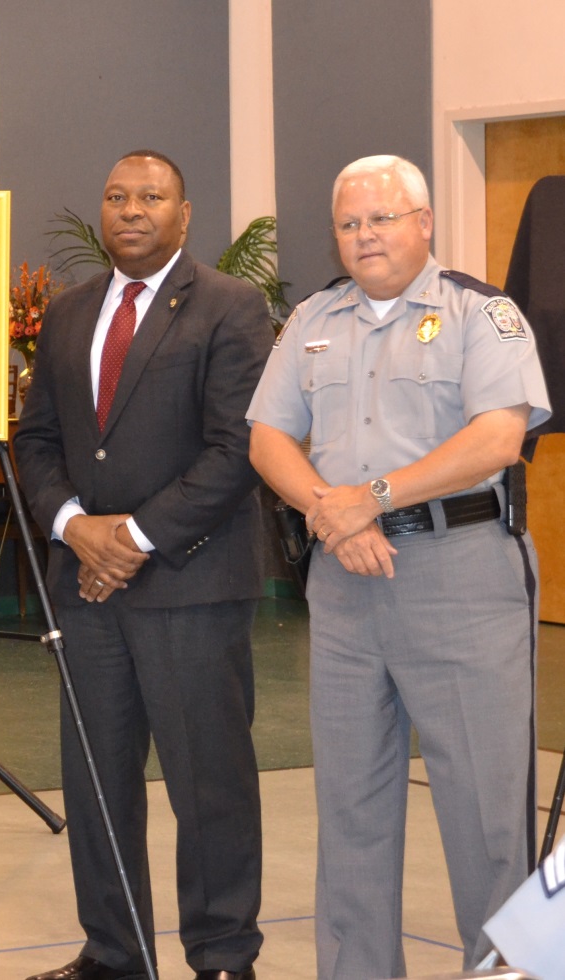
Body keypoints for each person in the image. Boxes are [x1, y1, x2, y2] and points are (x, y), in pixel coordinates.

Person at [248, 154, 549, 979]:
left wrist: (370, 496)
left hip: (462, 575)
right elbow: (268, 438)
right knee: (350, 804)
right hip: (345, 583)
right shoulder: (313, 317)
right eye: (349, 223)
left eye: (381, 219)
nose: (364, 235)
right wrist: (331, 510)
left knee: (485, 812)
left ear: (423, 223)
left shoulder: (479, 314)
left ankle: (500, 972)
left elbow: (496, 437)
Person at [14, 150, 270, 980]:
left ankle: (225, 956)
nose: (131, 210)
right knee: (96, 785)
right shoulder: (70, 311)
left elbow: (237, 450)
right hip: (85, 596)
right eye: (116, 196)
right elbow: (40, 440)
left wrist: (129, 541)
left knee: (210, 786)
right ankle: (114, 952)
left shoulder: (232, 307)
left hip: (191, 586)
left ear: (184, 215)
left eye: (151, 197)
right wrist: (72, 525)